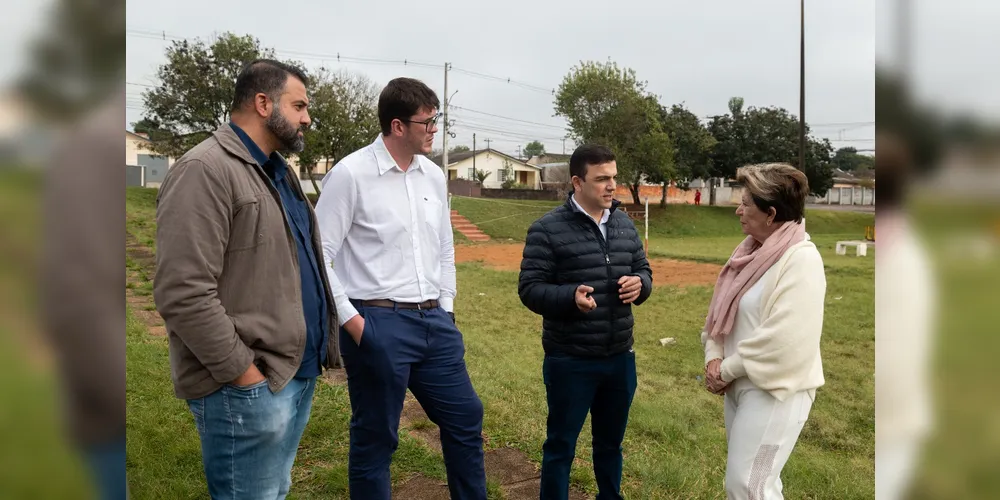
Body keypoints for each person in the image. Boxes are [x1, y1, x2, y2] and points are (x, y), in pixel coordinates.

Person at [154, 59, 340, 499]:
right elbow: (182, 290)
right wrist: (243, 374)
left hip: (292, 374)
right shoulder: (205, 170)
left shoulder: (279, 171)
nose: (307, 118)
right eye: (299, 105)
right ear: (262, 102)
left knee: (272, 491)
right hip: (246, 386)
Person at [314, 77, 486, 500]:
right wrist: (354, 323)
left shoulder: (432, 176)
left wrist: (446, 307)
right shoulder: (350, 174)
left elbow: (444, 247)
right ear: (397, 126)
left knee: (466, 417)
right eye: (427, 122)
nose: (434, 130)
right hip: (377, 322)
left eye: (435, 120)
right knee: (376, 436)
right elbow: (318, 255)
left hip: (434, 323)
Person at [518, 144, 653, 500]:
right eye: (602, 179)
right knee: (561, 446)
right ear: (577, 182)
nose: (612, 186)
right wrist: (569, 298)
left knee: (610, 446)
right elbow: (530, 290)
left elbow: (643, 270)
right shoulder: (547, 230)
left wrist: (641, 285)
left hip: (619, 357)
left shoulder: (624, 224)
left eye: (614, 178)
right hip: (570, 360)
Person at [700, 163, 825, 500]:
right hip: (739, 386)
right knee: (752, 483)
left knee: (749, 485)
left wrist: (725, 369)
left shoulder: (801, 260)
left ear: (770, 214)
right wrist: (713, 356)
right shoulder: (749, 253)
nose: (738, 210)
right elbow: (719, 313)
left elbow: (784, 338)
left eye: (745, 203)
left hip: (776, 391)